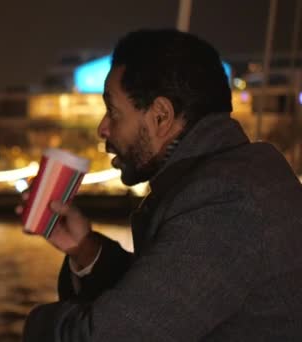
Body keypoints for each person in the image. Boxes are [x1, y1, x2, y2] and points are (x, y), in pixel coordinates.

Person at [19, 29, 302, 341]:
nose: (103, 128)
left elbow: (113, 335)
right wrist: (85, 249)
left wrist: (32, 323)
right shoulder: (238, 177)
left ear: (161, 117)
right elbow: (167, 302)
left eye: (113, 111)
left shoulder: (224, 201)